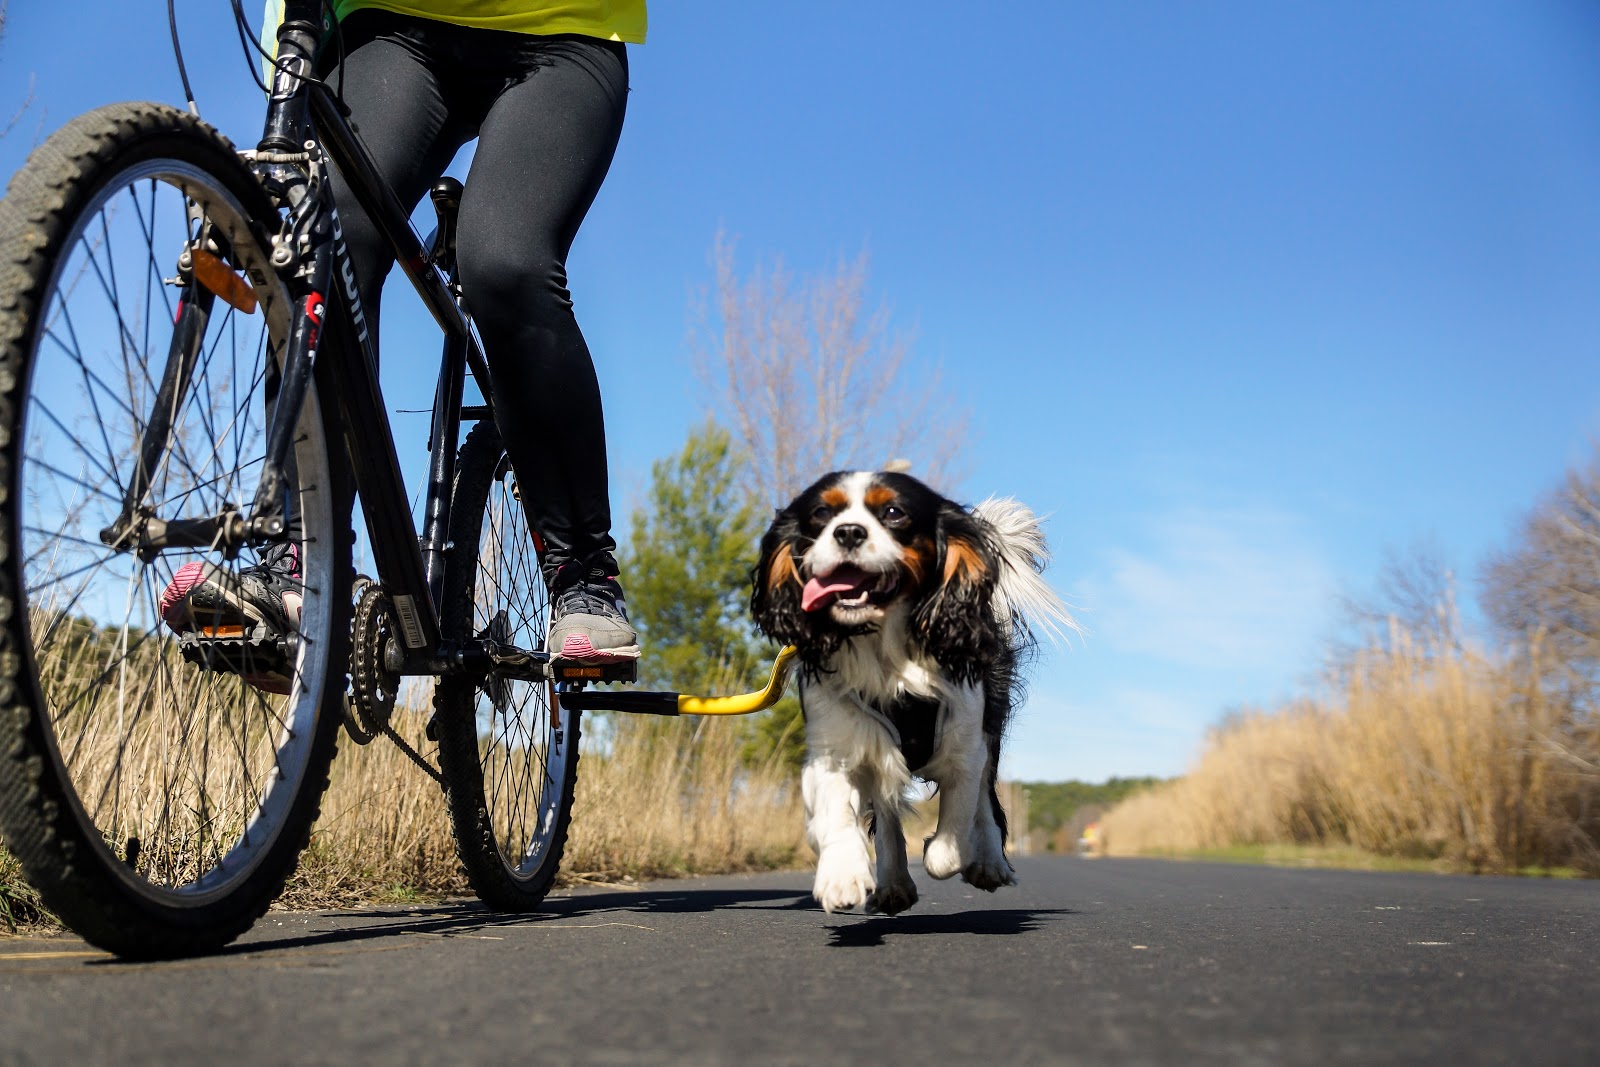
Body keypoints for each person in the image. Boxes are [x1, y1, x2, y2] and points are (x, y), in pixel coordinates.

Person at [162, 0, 646, 671]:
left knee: (503, 264)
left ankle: (584, 576)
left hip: (560, 29)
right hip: (394, 21)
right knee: (326, 238)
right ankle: (303, 559)